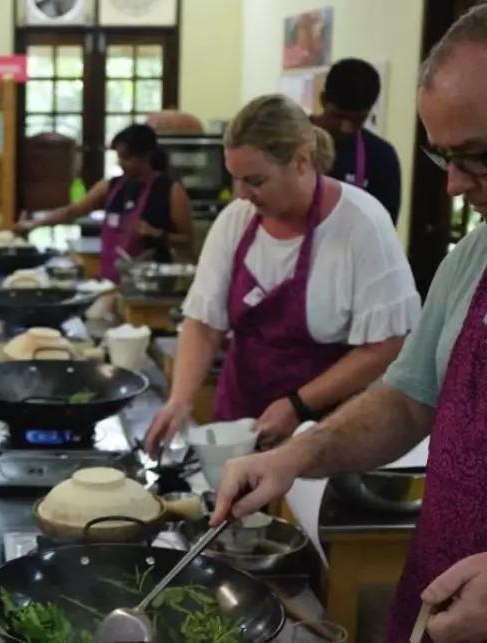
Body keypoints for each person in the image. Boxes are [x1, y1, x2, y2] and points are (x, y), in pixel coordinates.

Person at [212, 6, 487, 641]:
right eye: (441, 154)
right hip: (436, 596)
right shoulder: (470, 259)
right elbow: (406, 399)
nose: (450, 186)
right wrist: (297, 454)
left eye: (475, 157)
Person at [144, 94, 419, 454]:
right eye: (236, 179)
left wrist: (297, 405)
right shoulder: (236, 221)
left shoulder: (361, 225)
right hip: (240, 420)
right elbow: (203, 322)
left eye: (255, 180)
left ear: (302, 161)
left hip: (324, 431)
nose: (242, 194)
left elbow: (386, 345)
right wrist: (180, 399)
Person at [14, 124, 194, 281]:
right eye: (118, 157)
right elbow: (72, 211)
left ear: (146, 156)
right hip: (110, 281)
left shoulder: (171, 190)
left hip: (148, 285)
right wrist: (33, 224)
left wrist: (157, 234)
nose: (120, 163)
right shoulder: (110, 186)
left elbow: (188, 241)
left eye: (126, 158)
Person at [313, 57, 402, 222]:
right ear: (323, 100)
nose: (346, 128)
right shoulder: (289, 140)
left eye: (358, 120)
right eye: (338, 116)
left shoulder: (381, 157)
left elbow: (383, 229)